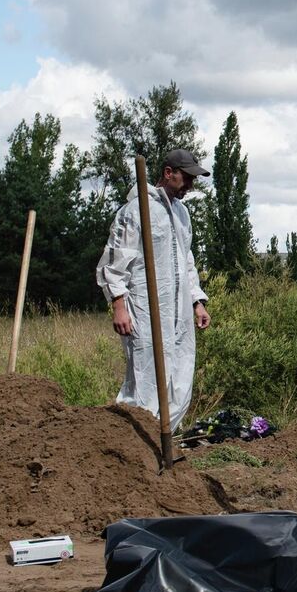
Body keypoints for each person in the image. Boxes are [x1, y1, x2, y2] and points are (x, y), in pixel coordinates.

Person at [96, 147, 211, 432]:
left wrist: (197, 301)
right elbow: (115, 261)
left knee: (179, 376)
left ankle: (163, 441)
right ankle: (133, 442)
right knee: (146, 376)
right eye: (186, 178)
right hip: (144, 307)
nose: (190, 186)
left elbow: (186, 260)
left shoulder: (182, 214)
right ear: (168, 173)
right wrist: (119, 305)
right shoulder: (135, 211)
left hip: (178, 309)